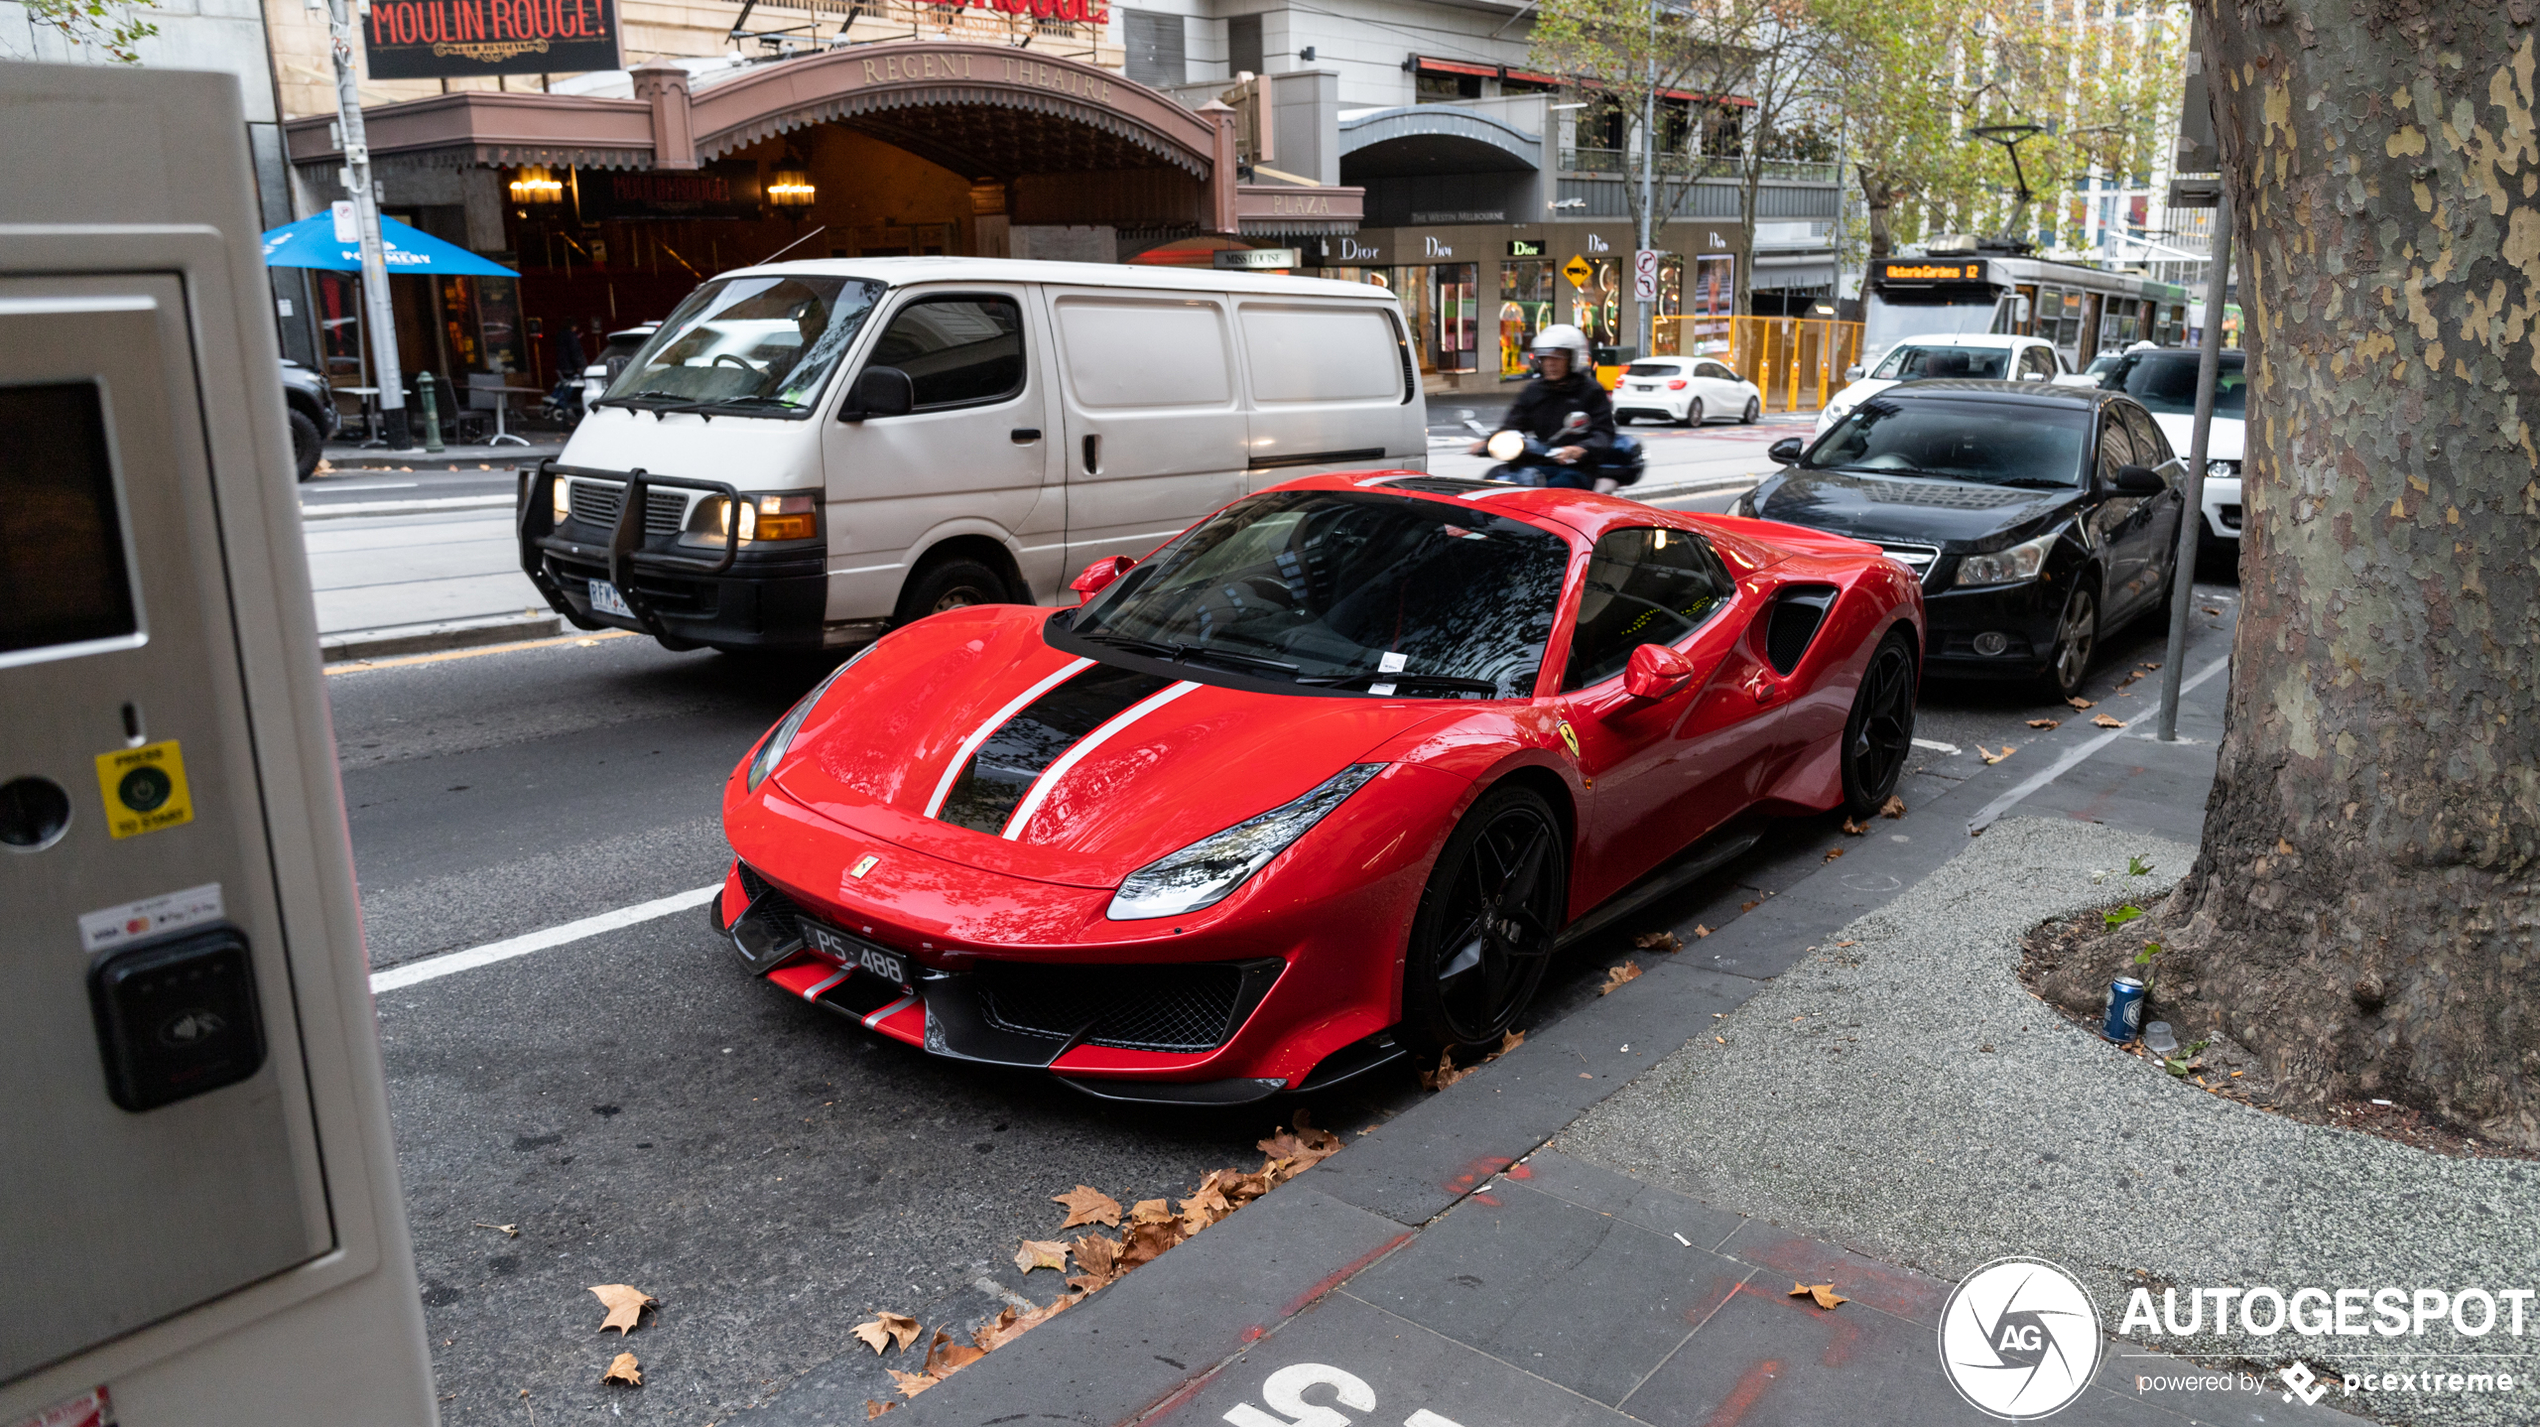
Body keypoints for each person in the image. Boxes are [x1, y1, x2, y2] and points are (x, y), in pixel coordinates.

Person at [1469, 323, 1616, 489]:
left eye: (1557, 357)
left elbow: (1604, 433)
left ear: (1573, 358)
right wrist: (1488, 442)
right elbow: (1511, 424)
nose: (1550, 363)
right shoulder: (1534, 390)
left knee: (1559, 486)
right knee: (1494, 480)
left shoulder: (1590, 391)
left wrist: (1580, 448)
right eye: (1545, 358)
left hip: (1575, 467)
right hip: (1536, 462)